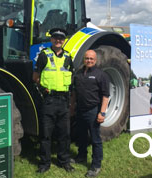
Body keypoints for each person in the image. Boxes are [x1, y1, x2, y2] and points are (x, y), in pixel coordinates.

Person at [33, 28, 75, 173]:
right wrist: (43, 90)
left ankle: (64, 161)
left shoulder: (69, 57)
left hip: (63, 101)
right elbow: (36, 76)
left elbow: (72, 78)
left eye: (61, 38)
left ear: (64, 41)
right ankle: (45, 164)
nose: (58, 40)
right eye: (55, 38)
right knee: (46, 135)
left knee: (65, 134)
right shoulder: (44, 55)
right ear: (51, 39)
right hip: (49, 100)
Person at [70, 50, 110, 177]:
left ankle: (96, 165)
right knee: (81, 136)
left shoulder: (101, 75)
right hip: (80, 110)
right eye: (87, 58)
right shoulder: (79, 74)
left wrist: (102, 113)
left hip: (93, 110)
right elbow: (75, 92)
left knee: (95, 139)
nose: (89, 60)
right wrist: (72, 107)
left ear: (95, 60)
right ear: (84, 59)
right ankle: (81, 156)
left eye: (91, 59)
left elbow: (105, 96)